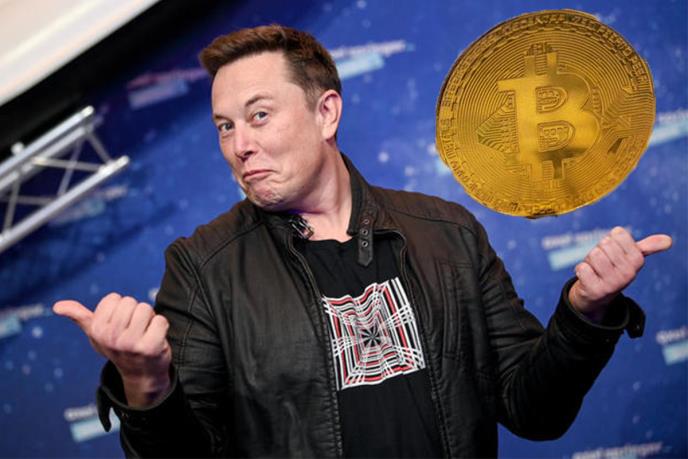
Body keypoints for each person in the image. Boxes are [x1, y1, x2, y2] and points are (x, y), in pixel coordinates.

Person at [54, 25, 672, 458]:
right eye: (225, 126)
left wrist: (584, 314)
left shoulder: (448, 233)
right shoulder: (203, 268)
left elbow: (534, 412)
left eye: (260, 115)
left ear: (326, 113)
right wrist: (146, 384)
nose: (239, 145)